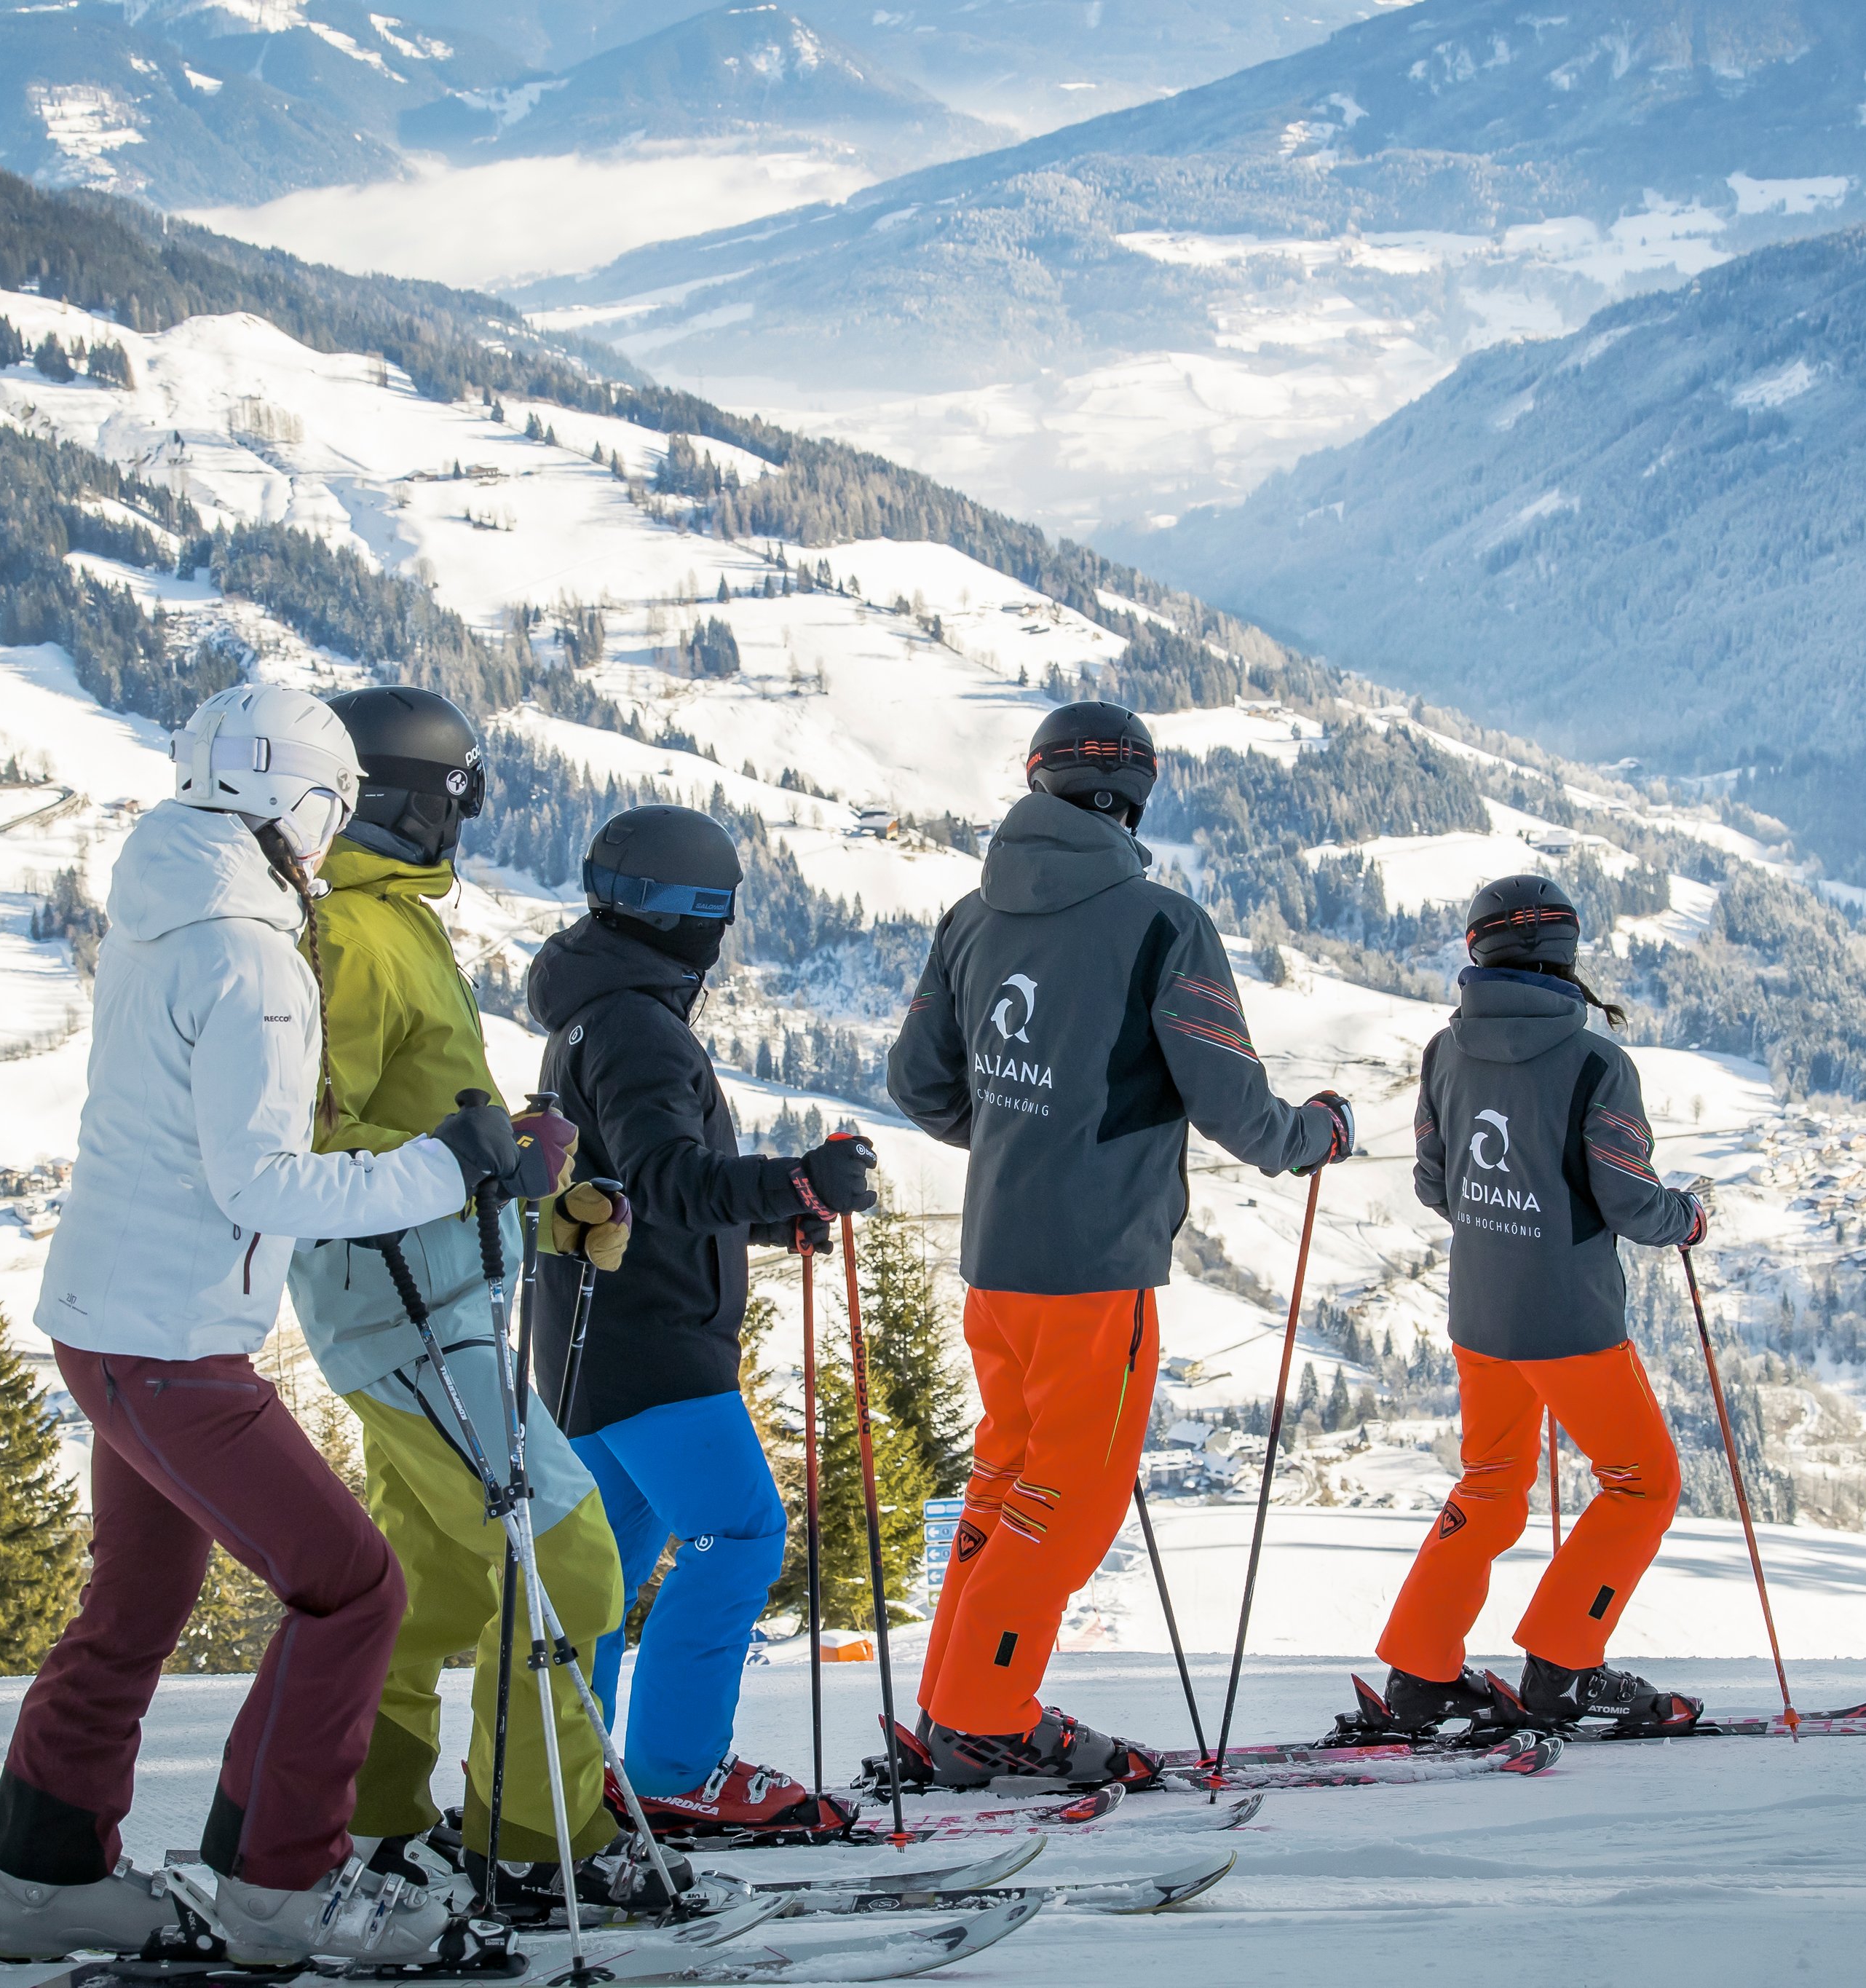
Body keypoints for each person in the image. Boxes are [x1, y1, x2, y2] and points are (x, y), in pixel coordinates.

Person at [0, 684, 566, 1966]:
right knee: (353, 1589)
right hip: (172, 1342)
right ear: (300, 802)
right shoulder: (253, 959)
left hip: (110, 1316)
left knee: (139, 1598)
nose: (332, 831)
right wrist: (452, 1167)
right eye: (331, 805)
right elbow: (265, 1181)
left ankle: (44, 1872)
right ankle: (280, 1889)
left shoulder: (163, 914)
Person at [888, 701, 1352, 1790]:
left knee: (1006, 1478)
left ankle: (954, 1701)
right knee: (1074, 1500)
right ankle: (987, 1712)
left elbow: (919, 1085)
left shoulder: (969, 915)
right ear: (1136, 796)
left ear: (1039, 782)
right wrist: (1314, 1135)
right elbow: (1235, 1105)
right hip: (1097, 1263)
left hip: (996, 1258)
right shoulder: (1161, 923)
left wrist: (1016, 1132)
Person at [282, 685, 663, 1921]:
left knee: (432, 1585)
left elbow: (435, 1136)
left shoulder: (393, 926)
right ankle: (533, 1838)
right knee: (563, 1551)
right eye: (461, 798)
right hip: (401, 1305)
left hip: (431, 1296)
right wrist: (494, 1170)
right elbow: (317, 1145)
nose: (469, 822)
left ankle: (376, 1820)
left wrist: (546, 1201)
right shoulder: (351, 940)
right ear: (408, 803)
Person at [526, 804, 874, 1839]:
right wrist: (794, 1179)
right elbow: (667, 1177)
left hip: (595, 1339)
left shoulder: (592, 1008)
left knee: (608, 1569)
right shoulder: (637, 1022)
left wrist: (779, 1214)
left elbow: (632, 1191)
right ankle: (675, 1771)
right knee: (738, 1535)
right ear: (698, 915)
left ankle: (567, 1773)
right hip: (655, 1344)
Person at [1367, 873, 1710, 1738]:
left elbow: (1435, 1183)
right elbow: (1632, 1205)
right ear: (1567, 953)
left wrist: (1502, 1224)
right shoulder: (1596, 1063)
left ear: (1477, 951)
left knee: (1490, 1485)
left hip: (1480, 1313)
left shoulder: (1445, 1052)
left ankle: (1419, 1674)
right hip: (1568, 1321)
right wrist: (1690, 1217)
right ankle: (1563, 1667)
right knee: (1643, 1484)